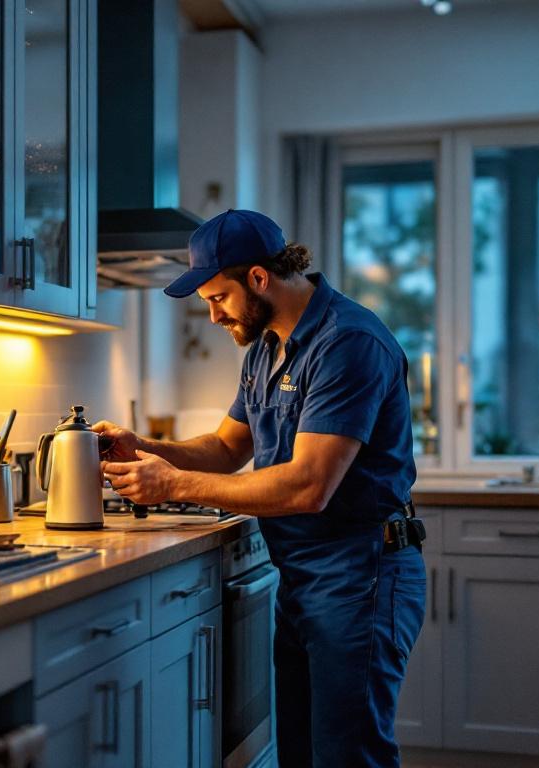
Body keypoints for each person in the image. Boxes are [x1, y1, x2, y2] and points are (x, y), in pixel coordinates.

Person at [94, 209, 427, 768]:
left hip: (362, 576)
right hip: (303, 577)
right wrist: (146, 448)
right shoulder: (266, 348)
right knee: (299, 754)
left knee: (349, 758)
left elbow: (309, 486)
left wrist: (174, 483)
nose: (213, 314)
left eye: (217, 298)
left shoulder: (347, 342)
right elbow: (226, 449)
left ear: (257, 278)